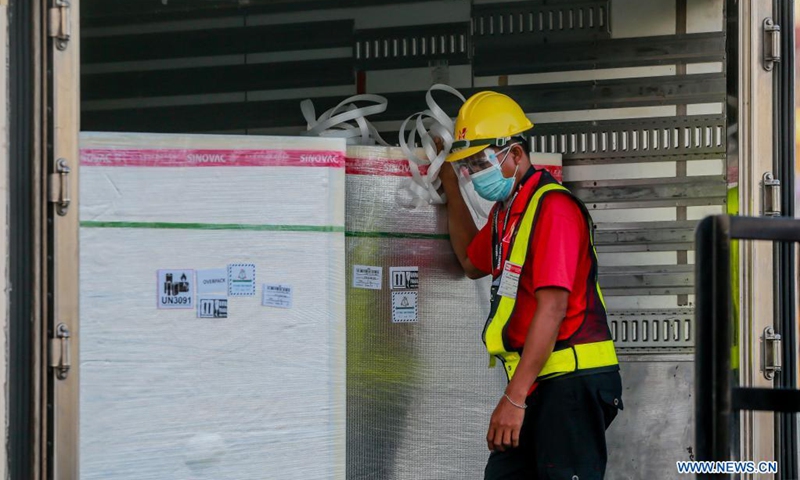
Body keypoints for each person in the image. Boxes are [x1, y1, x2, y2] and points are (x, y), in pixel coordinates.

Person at [437, 91, 623, 479]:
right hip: (538, 381)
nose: (474, 173)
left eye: (479, 161)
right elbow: (472, 263)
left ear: (516, 154)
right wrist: (451, 186)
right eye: (468, 165)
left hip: (569, 384)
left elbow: (552, 309)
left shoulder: (553, 208)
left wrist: (514, 398)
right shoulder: (508, 213)